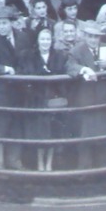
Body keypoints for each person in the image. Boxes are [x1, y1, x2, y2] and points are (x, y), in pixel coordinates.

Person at [0, 8, 32, 169]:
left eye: (4, 23)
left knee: (16, 126)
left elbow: (28, 59)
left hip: (18, 91)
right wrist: (6, 69)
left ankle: (15, 161)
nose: (1, 27)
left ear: (11, 22)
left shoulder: (23, 37)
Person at [65, 20, 106, 169]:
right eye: (90, 36)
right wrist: (84, 70)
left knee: (103, 134)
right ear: (84, 36)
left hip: (104, 98)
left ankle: (104, 167)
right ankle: (84, 169)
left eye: (96, 37)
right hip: (86, 99)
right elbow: (70, 67)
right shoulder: (77, 51)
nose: (93, 40)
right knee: (85, 134)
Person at [21, 27, 68, 171]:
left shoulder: (58, 55)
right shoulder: (31, 56)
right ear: (38, 41)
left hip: (53, 97)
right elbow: (27, 73)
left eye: (48, 39)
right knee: (40, 131)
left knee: (53, 131)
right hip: (37, 98)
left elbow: (61, 73)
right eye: (42, 39)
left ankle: (49, 162)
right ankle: (40, 161)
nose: (45, 42)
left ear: (51, 41)